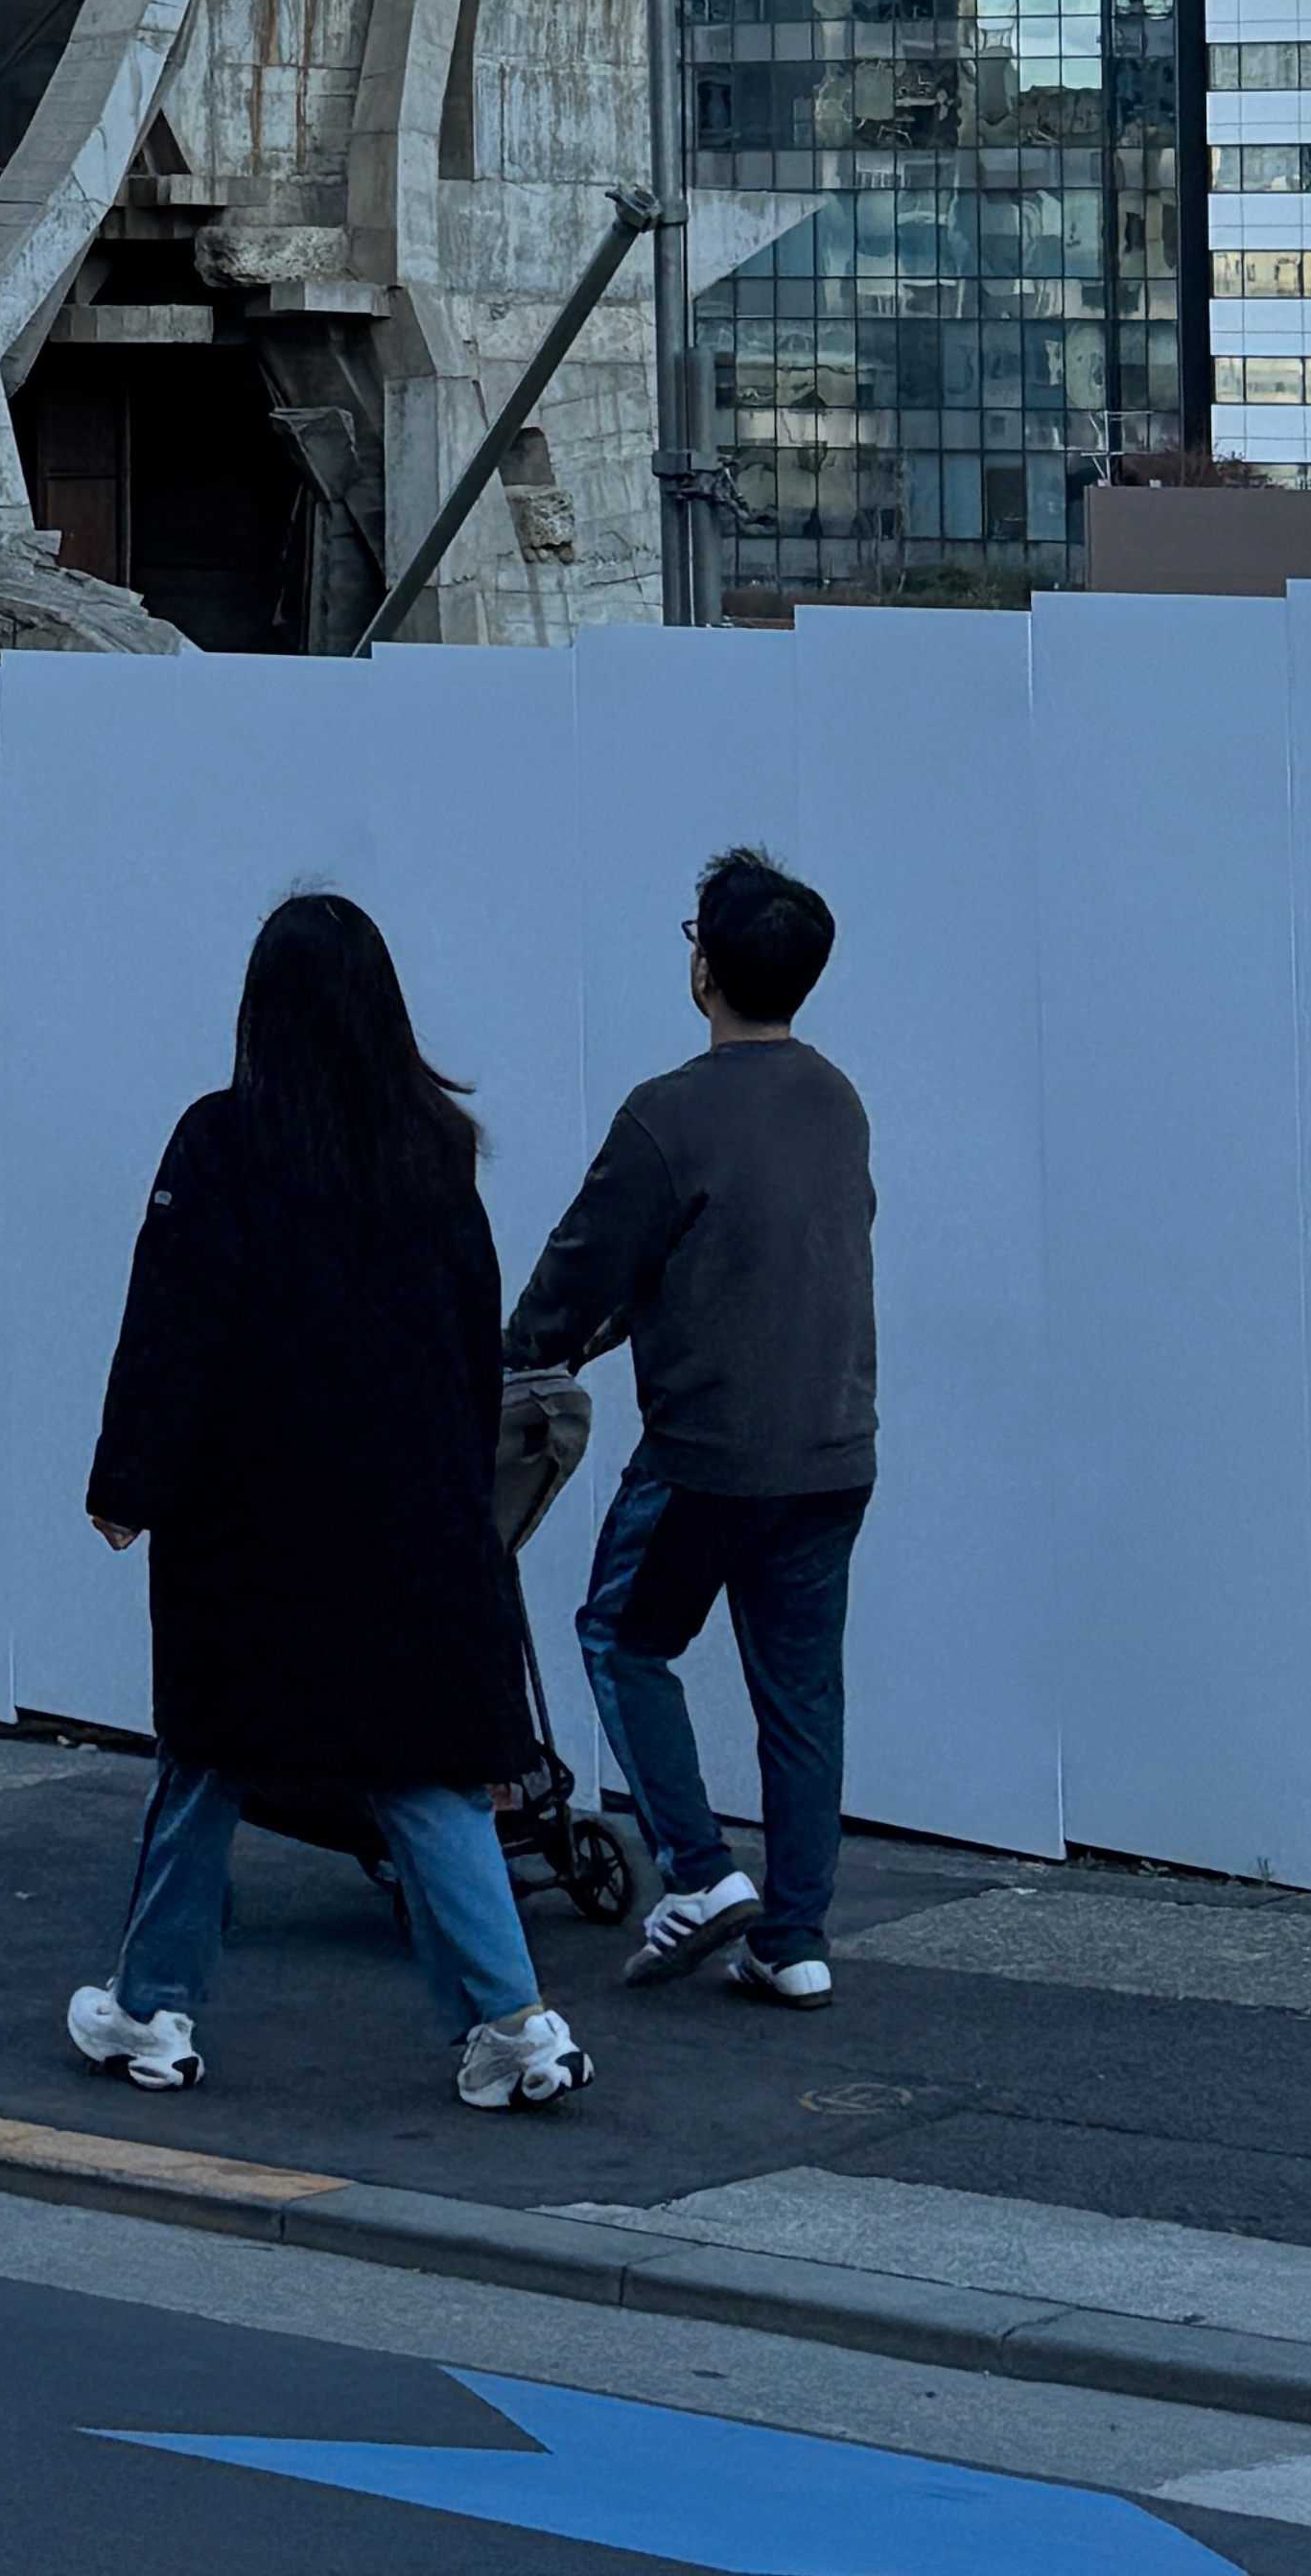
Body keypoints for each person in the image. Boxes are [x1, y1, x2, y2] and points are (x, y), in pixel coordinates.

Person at [73, 892, 592, 2116]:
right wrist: (465, 1503)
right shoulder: (435, 1152)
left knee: (209, 1760)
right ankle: (517, 2024)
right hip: (408, 1522)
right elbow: (468, 1347)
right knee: (425, 1770)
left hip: (249, 1523)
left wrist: (127, 1483)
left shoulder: (221, 1143)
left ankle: (154, 2009)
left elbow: (172, 1330)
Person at [504, 845, 876, 2006]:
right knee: (802, 1696)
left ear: (704, 968)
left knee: (621, 1640)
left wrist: (519, 1351)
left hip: (711, 1455)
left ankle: (702, 1874)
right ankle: (796, 1940)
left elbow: (580, 1268)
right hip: (834, 1449)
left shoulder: (666, 1115)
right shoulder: (836, 1100)